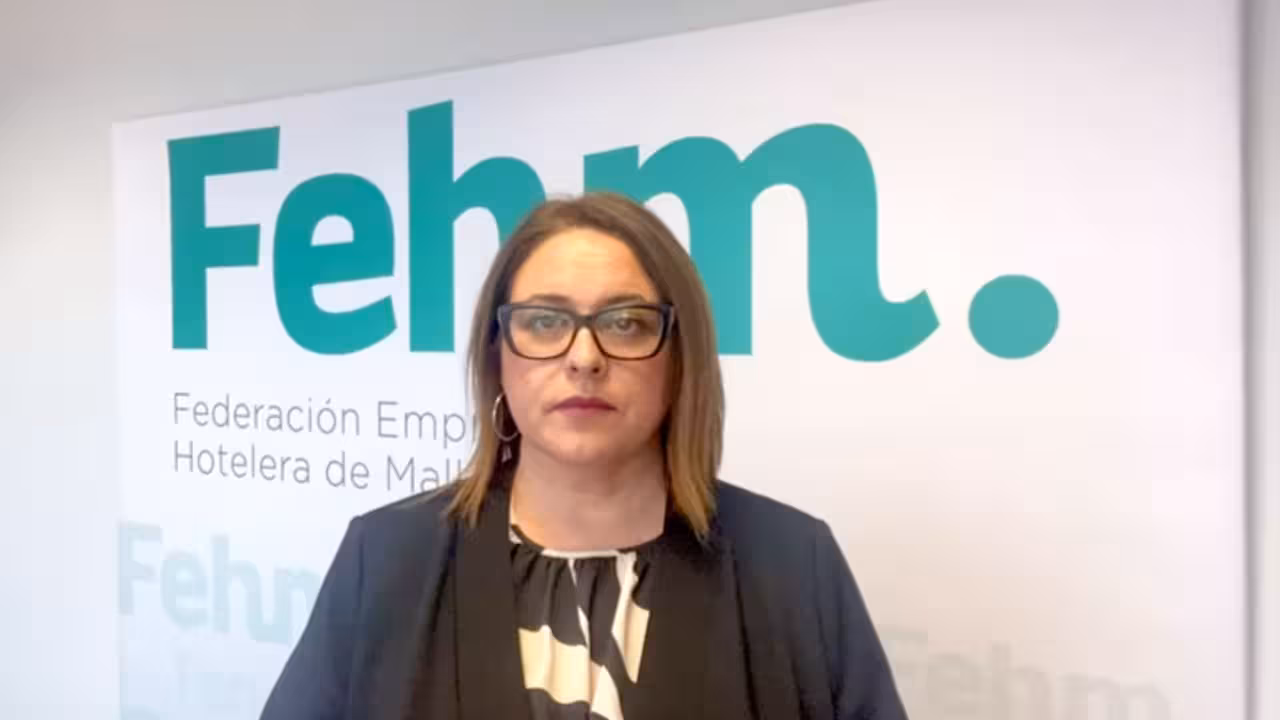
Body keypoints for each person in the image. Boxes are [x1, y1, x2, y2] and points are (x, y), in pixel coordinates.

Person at [259, 192, 908, 720]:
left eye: (626, 322)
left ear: (679, 357)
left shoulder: (793, 565)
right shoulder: (386, 557)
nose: (584, 357)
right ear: (496, 353)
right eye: (545, 321)